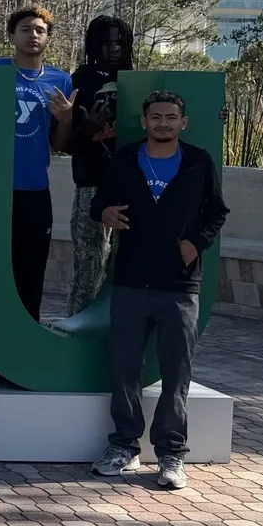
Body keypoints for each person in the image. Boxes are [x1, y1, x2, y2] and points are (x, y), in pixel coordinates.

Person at [91, 90, 229, 492]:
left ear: (182, 123)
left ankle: (171, 454)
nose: (163, 123)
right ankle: (123, 446)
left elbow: (217, 212)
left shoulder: (197, 162)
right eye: (156, 117)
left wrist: (194, 243)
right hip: (131, 280)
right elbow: (98, 201)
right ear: (145, 121)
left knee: (176, 372)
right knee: (124, 369)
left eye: (171, 117)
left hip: (179, 286)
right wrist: (105, 213)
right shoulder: (125, 158)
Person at [0, 5, 74, 319]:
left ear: (48, 38)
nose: (33, 35)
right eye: (26, 29)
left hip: (34, 190)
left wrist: (65, 119)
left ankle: (25, 342)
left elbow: (58, 145)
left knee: (30, 271)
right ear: (11, 35)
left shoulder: (61, 80)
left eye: (40, 31)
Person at [66, 16, 133, 315]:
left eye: (119, 41)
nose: (114, 48)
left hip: (134, 186)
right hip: (91, 183)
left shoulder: (139, 79)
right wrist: (88, 128)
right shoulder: (79, 81)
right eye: (106, 42)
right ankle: (76, 330)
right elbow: (63, 143)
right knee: (90, 266)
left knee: (127, 266)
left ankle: (120, 336)